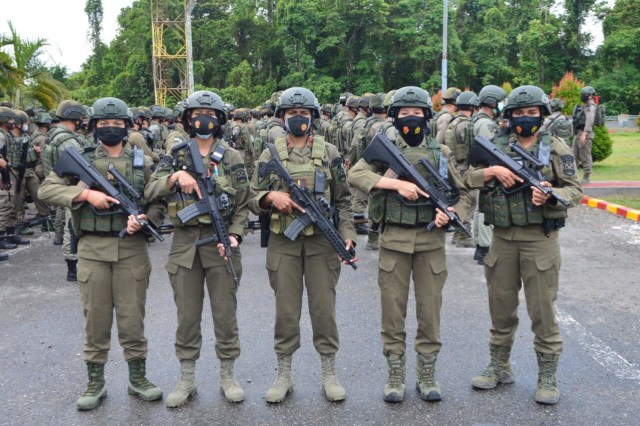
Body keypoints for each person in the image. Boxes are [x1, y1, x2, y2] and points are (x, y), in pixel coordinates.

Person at [38, 97, 165, 411]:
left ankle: (139, 379)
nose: (111, 128)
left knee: (132, 318)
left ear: (126, 127)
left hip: (132, 249)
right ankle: (95, 382)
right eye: (104, 124)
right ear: (93, 126)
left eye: (117, 123)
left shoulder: (142, 161)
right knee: (95, 319)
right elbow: (46, 190)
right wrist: (86, 194)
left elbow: (158, 201)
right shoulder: (79, 158)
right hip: (93, 248)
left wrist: (147, 219)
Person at [348, 86, 471, 403]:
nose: (411, 119)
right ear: (395, 117)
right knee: (392, 314)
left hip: (431, 243)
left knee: (430, 314)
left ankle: (427, 375)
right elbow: (356, 173)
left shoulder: (439, 154)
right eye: (404, 113)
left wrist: (453, 213)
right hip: (394, 241)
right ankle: (395, 375)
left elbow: (465, 194)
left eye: (417, 113)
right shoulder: (385, 150)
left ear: (427, 116)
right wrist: (396, 183)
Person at [464, 85, 583, 405]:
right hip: (502, 240)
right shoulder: (494, 146)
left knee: (542, 311)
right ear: (509, 116)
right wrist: (491, 171)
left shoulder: (555, 148)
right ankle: (499, 365)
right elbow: (465, 177)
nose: (525, 119)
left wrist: (551, 194)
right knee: (500, 308)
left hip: (539, 241)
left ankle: (547, 375)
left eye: (532, 113)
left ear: (541, 115)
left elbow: (575, 190)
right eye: (519, 113)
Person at [249, 87, 357, 403]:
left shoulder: (330, 152)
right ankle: (284, 375)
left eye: (304, 114)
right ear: (282, 118)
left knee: (324, 310)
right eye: (292, 114)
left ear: (313, 117)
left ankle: (329, 374)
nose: (299, 119)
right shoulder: (270, 154)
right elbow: (253, 197)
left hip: (323, 244)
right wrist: (271, 197)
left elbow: (344, 200)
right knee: (286, 312)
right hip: (284, 242)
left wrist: (347, 234)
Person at [144, 90, 250, 407]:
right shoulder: (175, 155)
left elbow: (244, 205)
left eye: (210, 113)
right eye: (197, 113)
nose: (203, 118)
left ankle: (227, 376)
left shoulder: (230, 157)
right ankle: (186, 379)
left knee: (225, 315)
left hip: (221, 244)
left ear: (219, 120)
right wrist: (175, 177)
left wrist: (234, 236)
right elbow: (150, 190)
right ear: (188, 119)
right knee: (187, 317)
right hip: (185, 244)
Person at [43, 100, 94, 281]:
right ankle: (73, 266)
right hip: (71, 186)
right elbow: (81, 165)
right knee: (72, 227)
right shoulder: (66, 139)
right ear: (74, 117)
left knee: (69, 224)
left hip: (64, 185)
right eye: (81, 118)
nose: (83, 121)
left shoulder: (58, 135)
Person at [471, 85, 507, 264]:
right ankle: (484, 248)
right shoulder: (485, 124)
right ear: (492, 102)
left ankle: (480, 246)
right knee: (486, 208)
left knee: (480, 208)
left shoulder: (478, 120)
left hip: (481, 169)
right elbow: (491, 149)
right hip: (487, 169)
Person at [443, 91, 481, 248]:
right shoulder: (468, 125)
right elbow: (474, 148)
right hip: (465, 166)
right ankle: (463, 235)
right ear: (472, 107)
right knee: (470, 200)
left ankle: (459, 233)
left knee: (460, 198)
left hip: (453, 166)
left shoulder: (452, 123)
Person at [572, 86, 597, 183]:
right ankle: (572, 177)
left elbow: (589, 120)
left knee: (585, 155)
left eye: (585, 95)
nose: (583, 97)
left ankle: (586, 177)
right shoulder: (584, 106)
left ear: (591, 96)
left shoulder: (591, 107)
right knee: (573, 155)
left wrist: (585, 133)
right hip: (578, 133)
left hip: (585, 134)